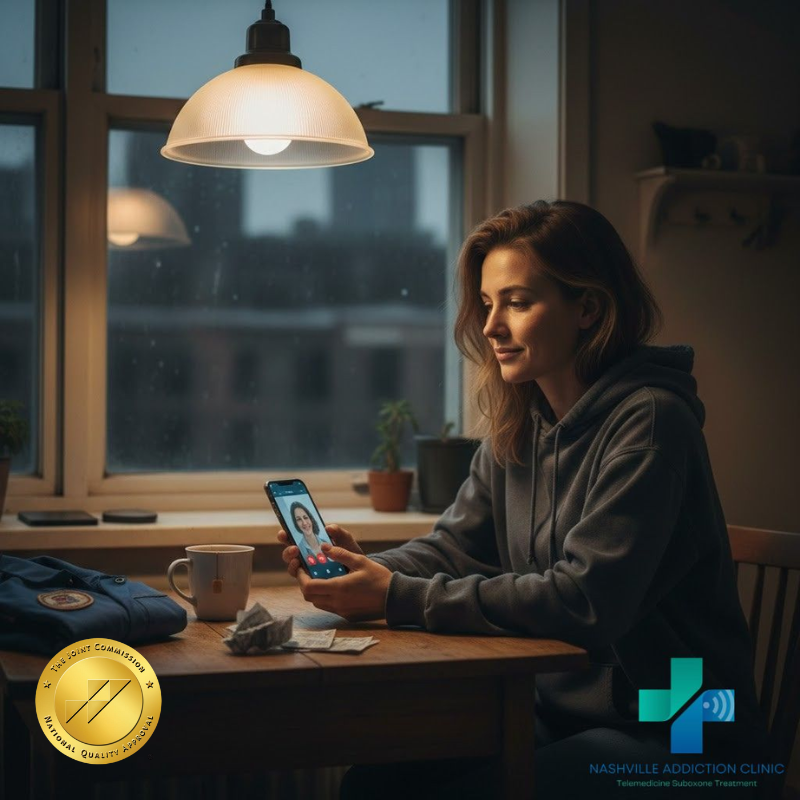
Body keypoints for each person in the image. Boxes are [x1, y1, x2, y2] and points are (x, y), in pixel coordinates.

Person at [277, 201, 767, 799]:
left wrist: (395, 595)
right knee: (371, 786)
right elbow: (456, 547)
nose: (489, 327)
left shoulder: (653, 423)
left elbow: (586, 602)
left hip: (686, 729)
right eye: (486, 304)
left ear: (588, 308)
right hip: (565, 713)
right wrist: (373, 570)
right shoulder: (523, 421)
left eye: (517, 301)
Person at [290, 501, 325, 567]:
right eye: (299, 519)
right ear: (296, 524)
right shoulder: (299, 550)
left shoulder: (327, 543)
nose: (304, 523)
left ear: (311, 519)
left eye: (305, 517)